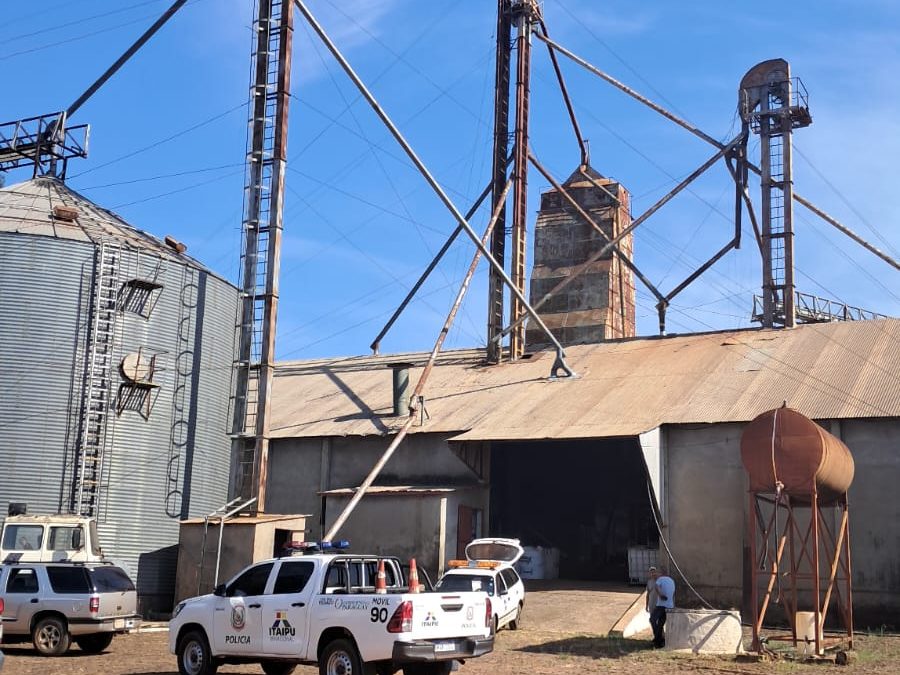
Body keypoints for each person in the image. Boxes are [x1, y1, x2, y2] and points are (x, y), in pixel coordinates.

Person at [649, 569, 675, 648]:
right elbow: (673, 594)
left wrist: (660, 595)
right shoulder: (672, 581)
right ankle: (660, 641)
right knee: (661, 623)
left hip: (661, 605)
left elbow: (656, 587)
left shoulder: (660, 579)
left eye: (658, 573)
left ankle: (658, 639)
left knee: (652, 620)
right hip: (670, 606)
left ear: (661, 573)